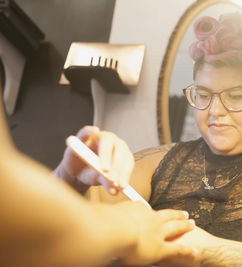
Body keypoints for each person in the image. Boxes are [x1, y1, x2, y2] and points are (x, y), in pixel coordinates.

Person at [55, 12, 242, 266]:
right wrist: (70, 179)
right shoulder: (157, 162)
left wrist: (208, 249)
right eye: (202, 95)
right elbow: (55, 228)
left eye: (236, 96)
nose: (215, 111)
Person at [0, 93, 196, 265]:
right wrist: (130, 226)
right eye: (203, 95)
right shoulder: (161, 159)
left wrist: (66, 180)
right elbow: (18, 228)